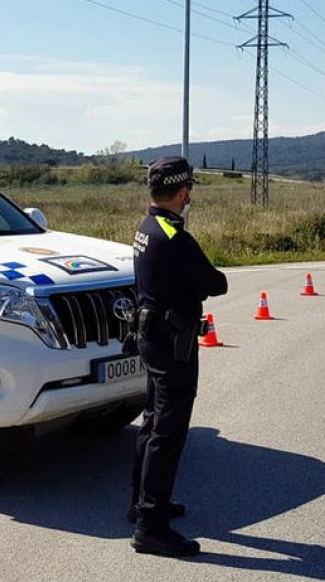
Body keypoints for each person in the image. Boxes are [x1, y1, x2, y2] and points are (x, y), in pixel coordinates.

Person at [128, 155, 228, 557]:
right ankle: (151, 527)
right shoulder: (175, 237)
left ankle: (142, 505)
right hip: (172, 342)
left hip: (153, 337)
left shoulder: (146, 227)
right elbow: (215, 283)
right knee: (168, 433)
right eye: (190, 191)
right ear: (183, 191)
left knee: (152, 424)